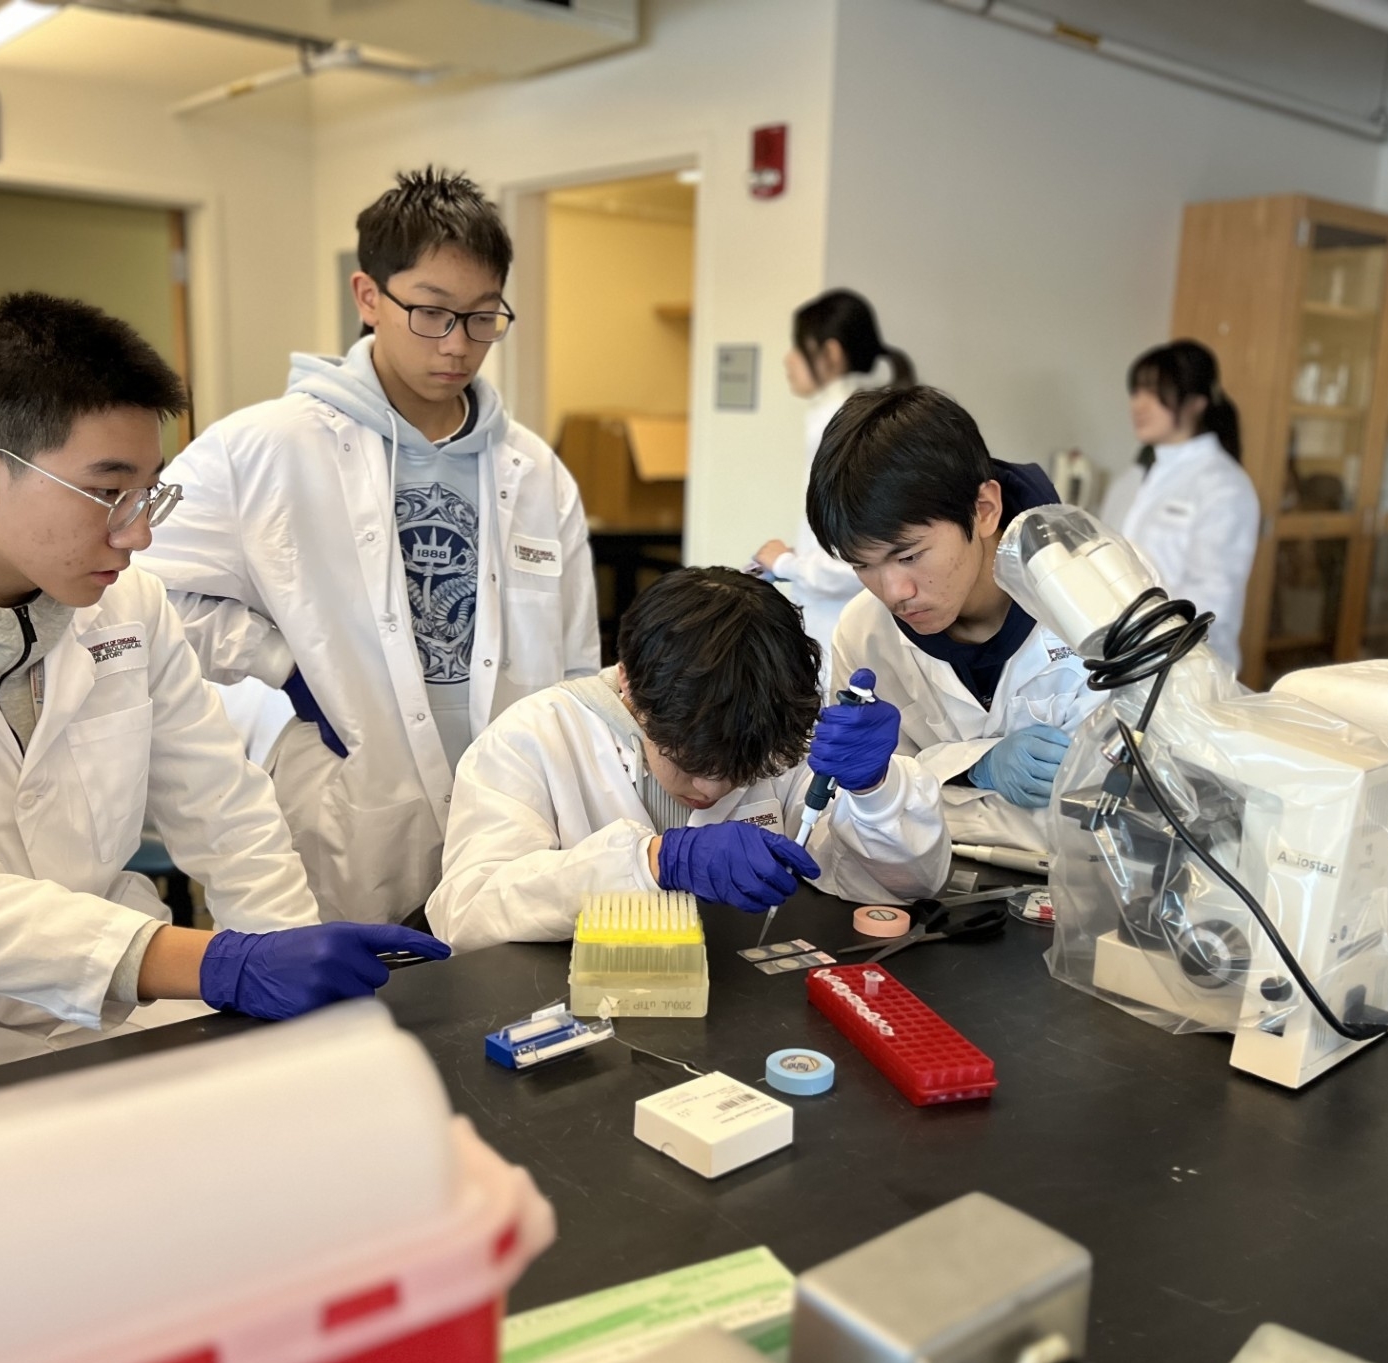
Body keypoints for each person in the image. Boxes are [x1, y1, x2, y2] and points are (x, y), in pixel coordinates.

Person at [0, 293, 445, 1121]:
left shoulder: (128, 605)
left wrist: (290, 971)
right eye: (106, 491)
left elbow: (225, 814)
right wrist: (211, 962)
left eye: (151, 492)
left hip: (94, 1016)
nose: (137, 534)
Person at [142, 166, 598, 926]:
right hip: (350, 803)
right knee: (336, 1016)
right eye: (431, 313)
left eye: (483, 317)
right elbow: (139, 586)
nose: (457, 345)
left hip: (512, 811)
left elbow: (578, 657)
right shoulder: (265, 447)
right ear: (367, 298)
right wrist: (281, 668)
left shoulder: (537, 472)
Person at [427, 566, 949, 950]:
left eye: (741, 770)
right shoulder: (533, 738)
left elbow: (904, 886)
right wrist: (653, 862)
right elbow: (467, 914)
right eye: (689, 759)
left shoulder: (774, 724)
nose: (712, 789)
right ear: (629, 682)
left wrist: (877, 791)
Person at [808, 386, 1099, 857]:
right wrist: (977, 767)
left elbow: (1115, 817)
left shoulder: (1097, 601)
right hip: (930, 897)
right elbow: (862, 821)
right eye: (863, 564)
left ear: (984, 510)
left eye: (908, 554)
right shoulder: (864, 633)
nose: (892, 592)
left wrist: (925, 786)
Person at [753, 291, 916, 682]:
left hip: (841, 625)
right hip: (835, 619)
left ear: (831, 352)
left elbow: (861, 555)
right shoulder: (849, 412)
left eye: (799, 347)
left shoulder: (840, 420)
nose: (788, 360)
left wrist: (787, 564)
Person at [1097, 340, 1260, 674]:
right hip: (1116, 661)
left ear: (1197, 401)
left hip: (1188, 669)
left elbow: (1214, 601)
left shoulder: (1223, 485)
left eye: (1156, 392)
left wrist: (1129, 629)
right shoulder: (1129, 481)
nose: (1138, 404)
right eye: (1136, 391)